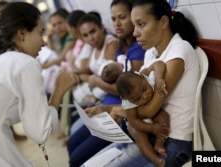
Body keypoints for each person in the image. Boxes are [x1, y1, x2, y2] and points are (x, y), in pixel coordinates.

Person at [84, 0, 200, 166]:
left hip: (174, 142)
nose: (136, 33)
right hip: (150, 136)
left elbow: (150, 109)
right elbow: (137, 101)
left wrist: (114, 109)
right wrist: (105, 108)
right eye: (134, 25)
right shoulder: (151, 53)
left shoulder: (179, 51)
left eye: (141, 24)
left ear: (164, 22)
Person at [0, 2, 77, 166]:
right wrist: (58, 91)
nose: (43, 42)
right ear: (21, 33)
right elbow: (40, 133)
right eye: (41, 32)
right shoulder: (24, 63)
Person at [66, 1, 145, 166]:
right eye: (113, 18)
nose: (116, 23)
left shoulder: (137, 48)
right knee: (72, 144)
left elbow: (128, 91)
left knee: (77, 159)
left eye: (122, 17)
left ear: (134, 17)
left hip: (119, 116)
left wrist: (95, 81)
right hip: (106, 108)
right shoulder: (122, 46)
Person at [116, 67, 170, 166]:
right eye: (137, 99)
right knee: (140, 137)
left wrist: (159, 78)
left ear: (142, 77)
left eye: (144, 89)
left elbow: (158, 64)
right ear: (125, 98)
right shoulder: (128, 102)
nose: (145, 96)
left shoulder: (143, 73)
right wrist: (151, 128)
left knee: (164, 117)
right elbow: (133, 121)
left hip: (153, 112)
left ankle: (159, 144)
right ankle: (154, 158)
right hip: (139, 121)